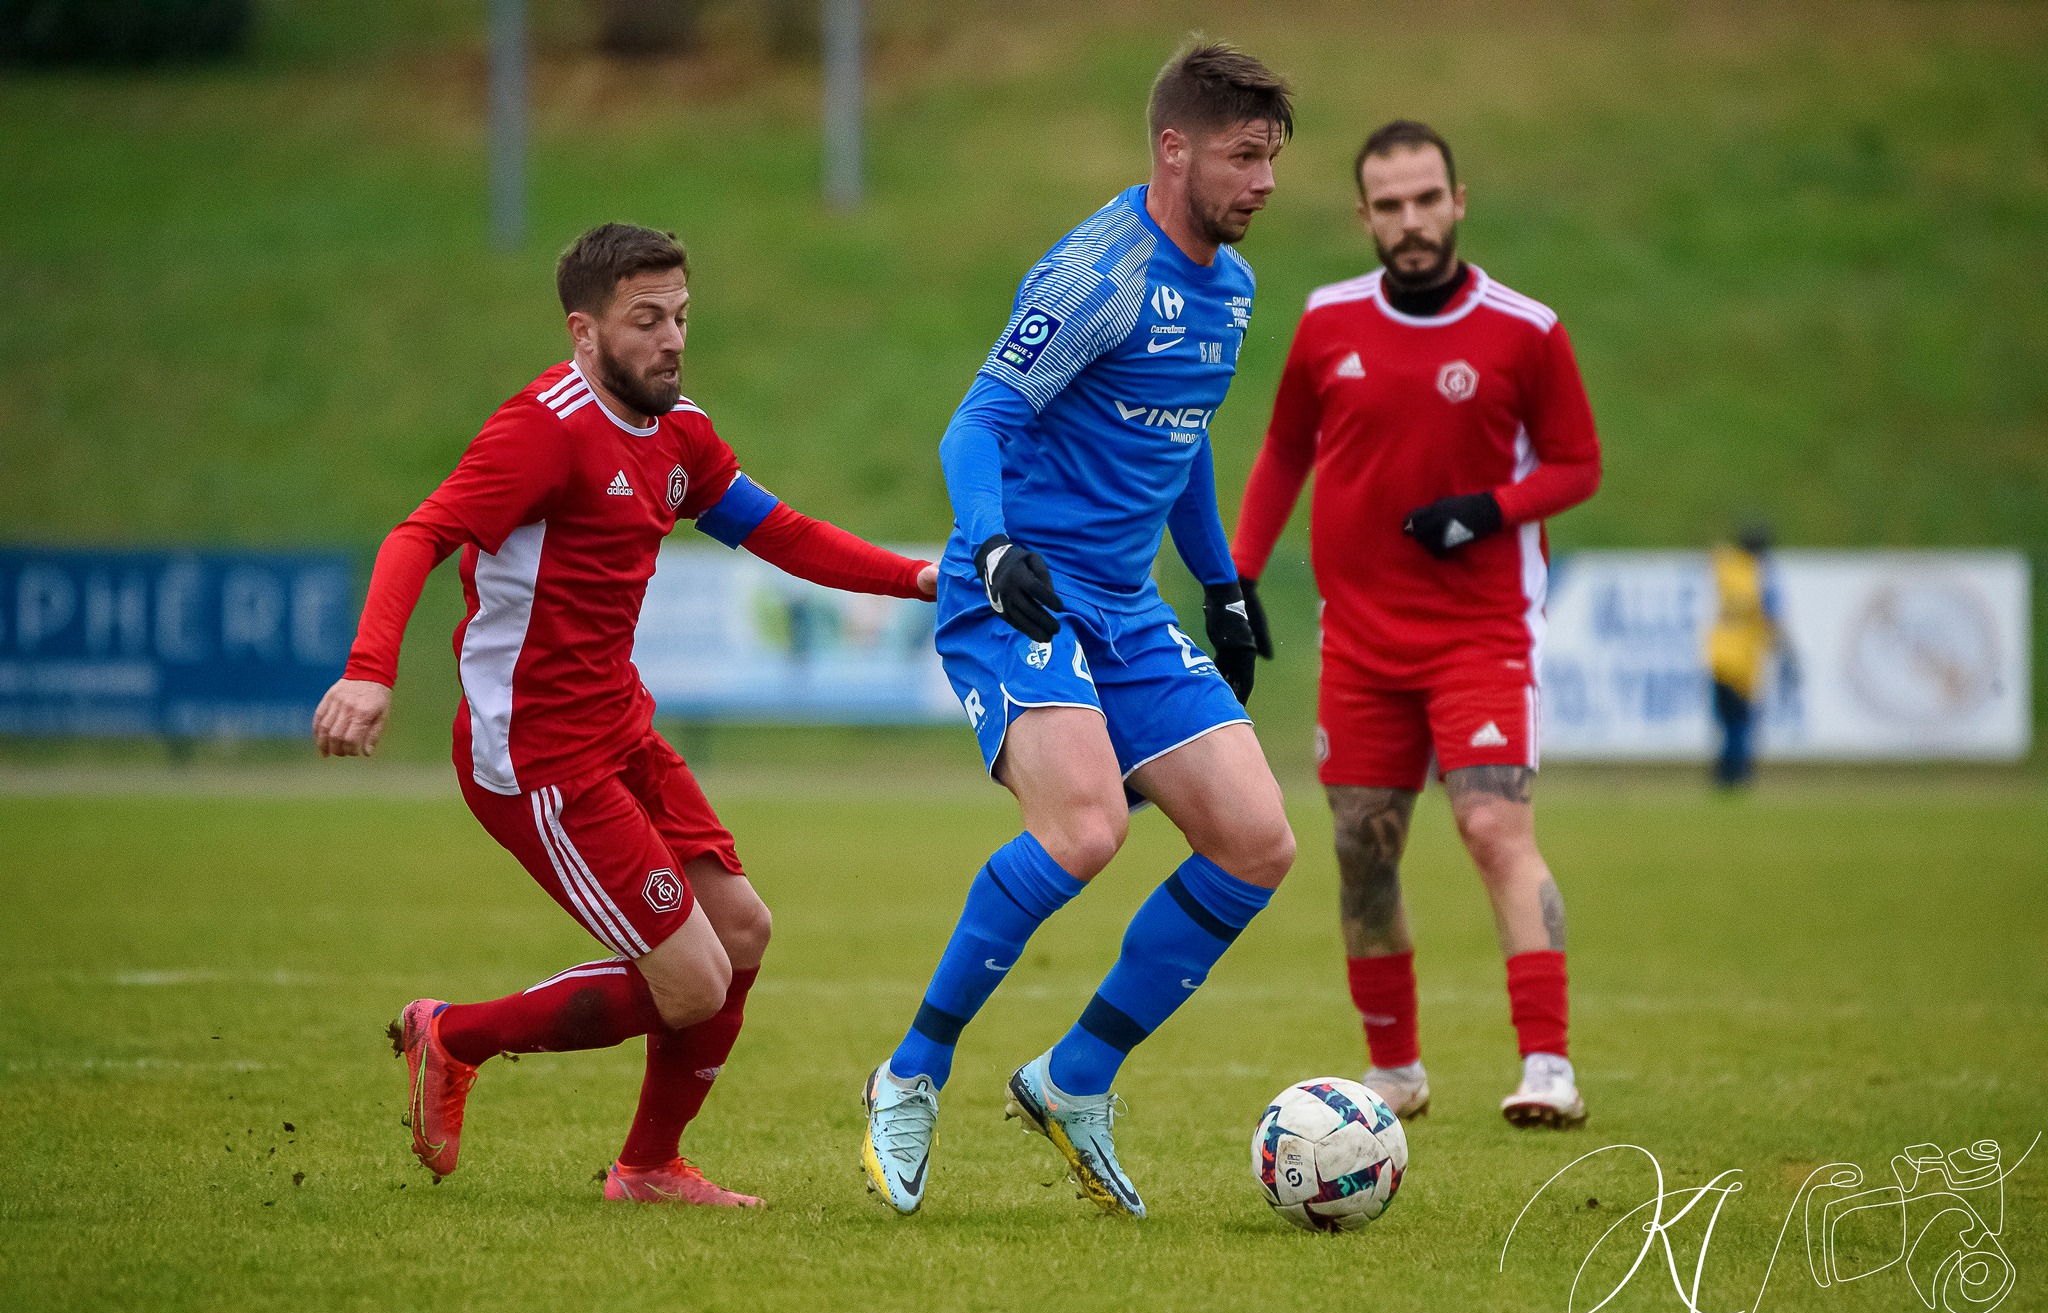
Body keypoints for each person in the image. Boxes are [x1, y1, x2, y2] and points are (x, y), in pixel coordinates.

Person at [312, 223, 937, 1204]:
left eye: (680, 317)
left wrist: (919, 577)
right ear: (584, 331)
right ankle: (453, 1034)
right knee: (692, 980)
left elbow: (781, 534)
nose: (671, 339)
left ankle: (648, 1168)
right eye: (644, 320)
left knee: (741, 935)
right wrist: (367, 670)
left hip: (619, 730)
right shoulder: (542, 430)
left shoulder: (679, 432)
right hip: (535, 757)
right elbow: (418, 533)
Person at [858, 41, 1296, 1219]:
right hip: (1020, 591)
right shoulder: (1098, 272)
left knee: (1255, 841)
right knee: (1088, 828)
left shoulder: (1233, 289)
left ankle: (1074, 1078)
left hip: (1124, 603)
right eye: (1241, 156)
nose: (1262, 181)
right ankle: (909, 1072)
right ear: (1173, 148)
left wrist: (1222, 580)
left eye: (1270, 159)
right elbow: (975, 423)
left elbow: (1182, 432)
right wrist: (993, 548)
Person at [1230, 120, 1602, 1129]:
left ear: (1456, 199)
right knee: (1360, 847)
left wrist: (1483, 510)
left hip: (1479, 631)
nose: (1409, 222)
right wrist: (1238, 577)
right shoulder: (1324, 321)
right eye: (1387, 206)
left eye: (1424, 199)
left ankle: (1546, 1063)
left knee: (1490, 824)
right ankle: (1392, 1071)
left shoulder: (1525, 329)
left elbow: (1576, 465)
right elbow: (1280, 451)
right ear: (1363, 217)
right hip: (1357, 641)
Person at [1707, 522, 1796, 787]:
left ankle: (1724, 770)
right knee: (1742, 720)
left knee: (1726, 719)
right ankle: (1738, 772)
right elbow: (1772, 617)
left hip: (1719, 653)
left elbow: (1716, 551)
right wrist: (1786, 649)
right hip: (1744, 658)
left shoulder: (1729, 567)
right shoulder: (1763, 575)